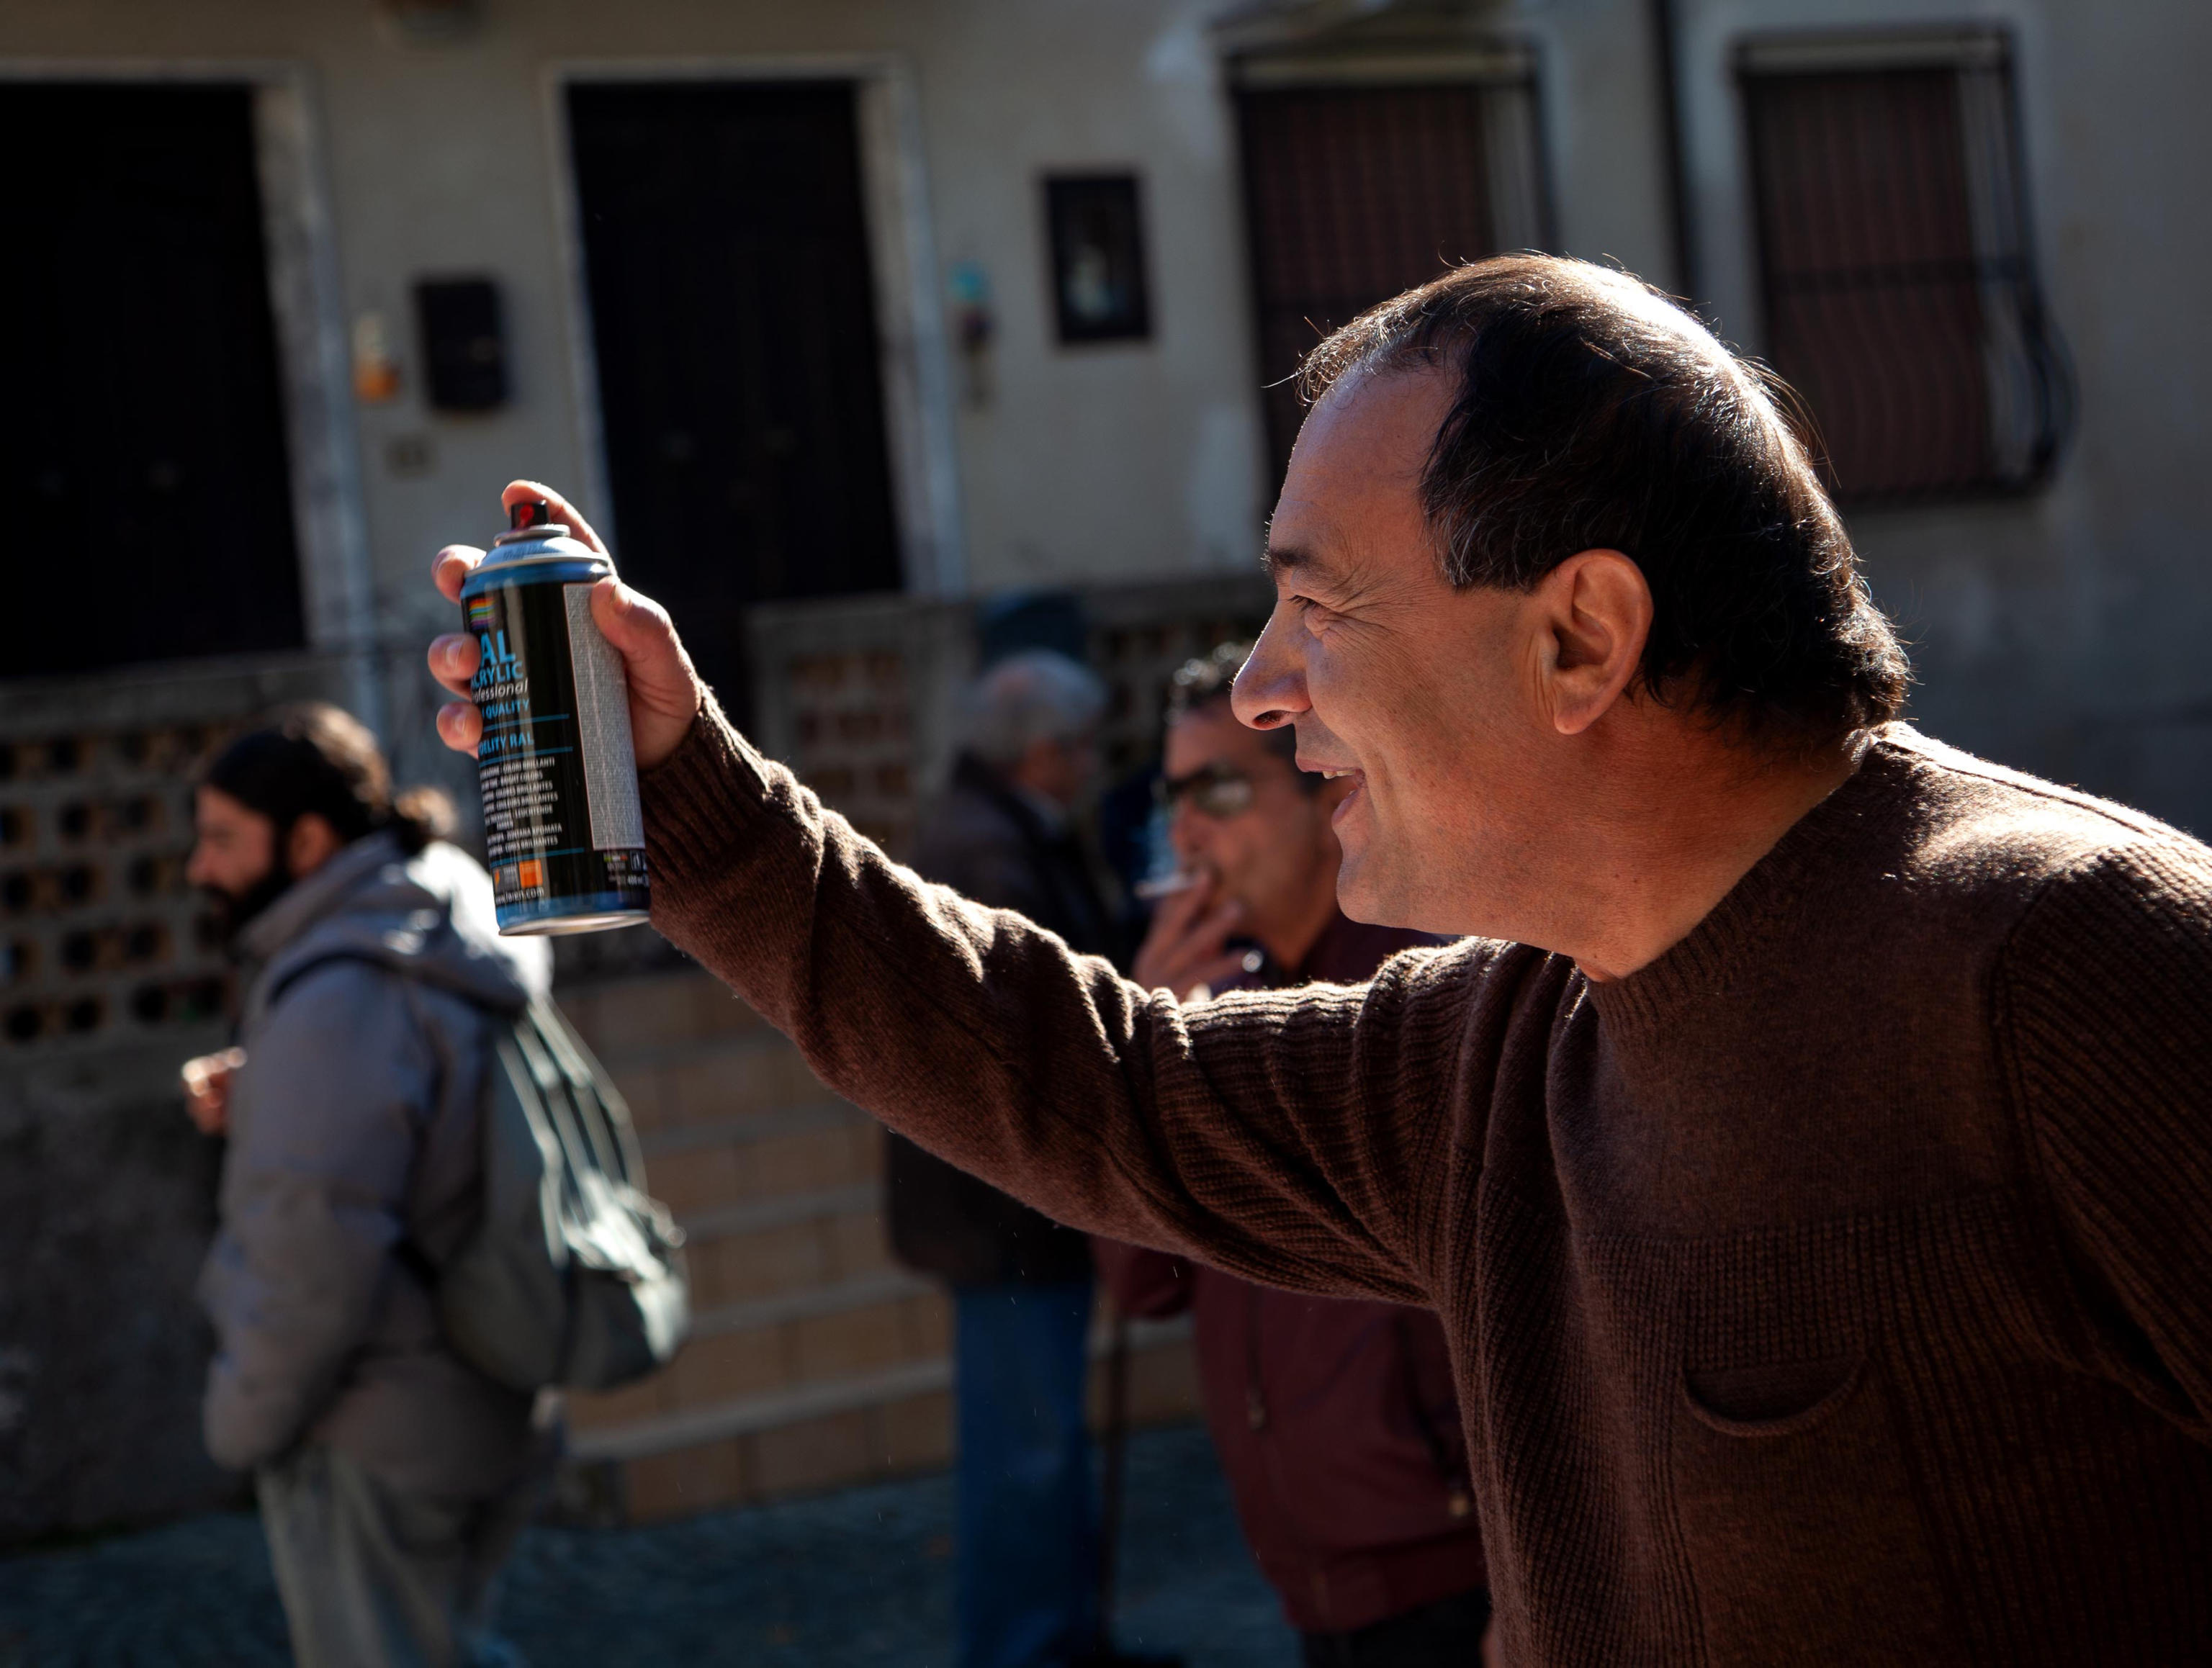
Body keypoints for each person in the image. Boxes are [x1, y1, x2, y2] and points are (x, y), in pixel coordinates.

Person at [428, 256, 2212, 1664]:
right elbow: (1101, 1086)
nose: (1263, 685)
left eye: (1319, 605)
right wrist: (691, 811)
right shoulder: (1497, 1041)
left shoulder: (2078, 968)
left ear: (1580, 636)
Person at [1096, 643, 1492, 1667]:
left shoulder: (1424, 983)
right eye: (1170, 794)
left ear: (1327, 794)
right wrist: (1146, 1053)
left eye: (1220, 788)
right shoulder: (1215, 1006)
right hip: (1308, 1583)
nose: (1187, 828)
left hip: (1461, 1578)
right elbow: (1144, 1279)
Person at [183, 703, 551, 1668]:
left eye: (222, 838)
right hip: (480, 1390)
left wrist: (238, 1421)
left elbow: (313, 1252)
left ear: (307, 841)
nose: (199, 868)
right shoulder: (433, 916)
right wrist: (276, 1089)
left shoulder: (338, 994)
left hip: (376, 1426)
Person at [882, 650, 1128, 1668]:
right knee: (1024, 1452)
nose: (1091, 767)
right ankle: (1023, 1649)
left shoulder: (1003, 832)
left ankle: (1064, 1636)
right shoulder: (986, 850)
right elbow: (1040, 1013)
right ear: (1041, 753)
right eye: (1080, 749)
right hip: (1001, 1212)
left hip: (1017, 1201)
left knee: (1046, 1443)